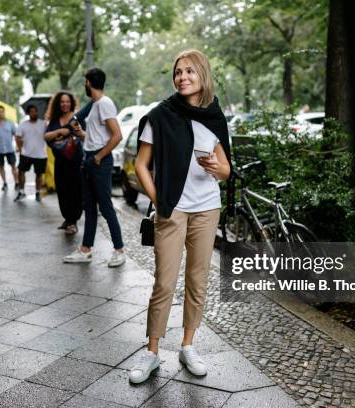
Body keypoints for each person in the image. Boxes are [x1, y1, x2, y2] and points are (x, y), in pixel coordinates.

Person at [129, 49, 232, 384]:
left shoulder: (214, 118)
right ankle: (152, 353)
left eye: (189, 71)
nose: (182, 77)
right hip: (172, 210)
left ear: (202, 74)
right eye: (178, 72)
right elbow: (140, 165)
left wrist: (219, 168)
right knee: (164, 281)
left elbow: (227, 169)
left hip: (207, 208)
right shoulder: (160, 116)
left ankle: (188, 345)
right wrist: (160, 200)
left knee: (198, 280)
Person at [64, 68, 126, 267]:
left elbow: (117, 135)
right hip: (89, 159)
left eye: (85, 82)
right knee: (89, 208)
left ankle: (119, 250)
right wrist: (83, 135)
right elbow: (98, 136)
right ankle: (85, 250)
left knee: (106, 208)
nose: (85, 86)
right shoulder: (95, 105)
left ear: (89, 83)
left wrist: (99, 156)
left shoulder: (105, 104)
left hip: (99, 161)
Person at [44, 91, 85, 233]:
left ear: (71, 103)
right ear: (58, 104)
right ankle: (67, 219)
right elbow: (46, 136)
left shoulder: (76, 118)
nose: (65, 104)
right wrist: (60, 131)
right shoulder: (55, 119)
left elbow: (84, 136)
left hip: (75, 162)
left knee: (75, 190)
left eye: (67, 101)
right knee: (62, 190)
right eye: (62, 102)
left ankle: (73, 221)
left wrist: (77, 131)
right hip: (60, 161)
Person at [14, 105, 47, 202]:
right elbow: (17, 136)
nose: (34, 113)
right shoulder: (23, 124)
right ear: (28, 113)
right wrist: (20, 148)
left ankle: (37, 192)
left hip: (40, 154)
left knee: (39, 174)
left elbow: (49, 134)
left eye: (35, 111)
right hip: (26, 154)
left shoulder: (43, 124)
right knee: (21, 172)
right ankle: (21, 191)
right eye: (31, 112)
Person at [0, 105, 18, 191]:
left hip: (9, 148)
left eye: (2, 111)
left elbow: (16, 134)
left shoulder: (10, 123)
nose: (0, 113)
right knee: (1, 166)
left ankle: (16, 182)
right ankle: (4, 183)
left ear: (4, 112)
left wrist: (18, 146)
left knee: (13, 166)